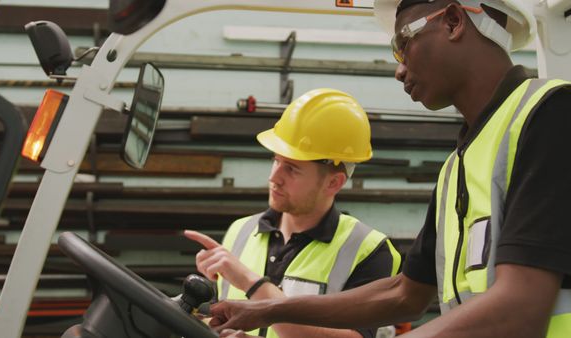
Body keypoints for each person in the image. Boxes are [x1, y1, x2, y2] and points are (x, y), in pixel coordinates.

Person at [208, 0, 571, 337]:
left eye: (402, 44)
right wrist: (267, 310)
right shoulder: (457, 164)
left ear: (454, 21)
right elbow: (405, 292)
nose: (399, 70)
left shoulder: (550, 113)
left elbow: (521, 304)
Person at [184, 88, 402, 338]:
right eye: (276, 160)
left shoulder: (369, 250)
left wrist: (249, 282)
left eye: (292, 168)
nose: (274, 177)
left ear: (334, 183)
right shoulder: (240, 231)